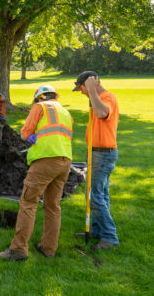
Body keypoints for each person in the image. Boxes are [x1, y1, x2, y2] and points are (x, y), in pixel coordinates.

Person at [0, 85, 73, 261]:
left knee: (28, 203)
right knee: (53, 206)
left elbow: (25, 134)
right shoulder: (66, 112)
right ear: (54, 96)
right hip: (65, 162)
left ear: (39, 98)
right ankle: (48, 249)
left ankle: (18, 250)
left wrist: (31, 137)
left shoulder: (40, 107)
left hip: (45, 161)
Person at [73, 71, 120, 250]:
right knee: (100, 194)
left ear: (92, 84)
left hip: (103, 153)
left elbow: (101, 113)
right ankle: (97, 230)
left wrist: (92, 91)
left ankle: (110, 236)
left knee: (95, 197)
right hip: (95, 152)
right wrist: (91, 93)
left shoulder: (107, 97)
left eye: (82, 88)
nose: (82, 92)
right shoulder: (96, 98)